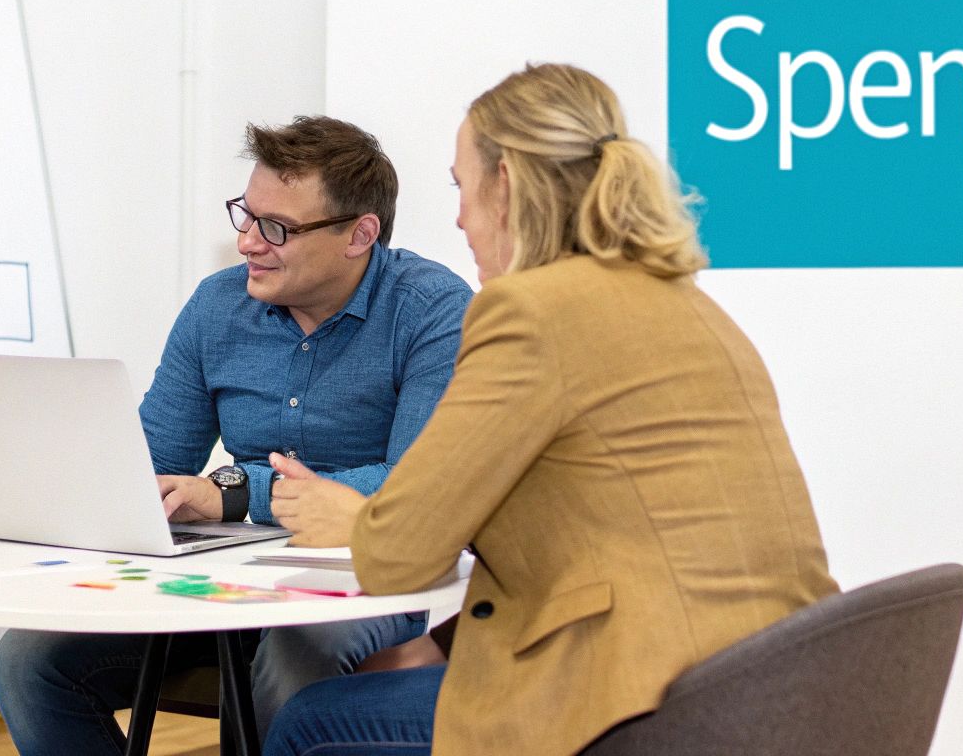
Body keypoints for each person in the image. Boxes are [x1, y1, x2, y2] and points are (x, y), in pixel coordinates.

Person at [262, 64, 839, 756]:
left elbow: (399, 554)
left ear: (504, 185)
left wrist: (351, 517)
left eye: (461, 186)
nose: (458, 217)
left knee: (312, 724)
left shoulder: (530, 311)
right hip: (776, 686)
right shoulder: (684, 302)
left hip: (647, 699)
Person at [0, 116, 473, 756]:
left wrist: (238, 491)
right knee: (28, 663)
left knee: (298, 657)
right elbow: (156, 461)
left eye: (277, 228)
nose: (247, 242)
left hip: (364, 574)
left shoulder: (433, 310)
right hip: (228, 577)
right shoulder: (217, 306)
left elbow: (414, 486)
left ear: (360, 235)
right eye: (245, 215)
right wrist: (80, 472)